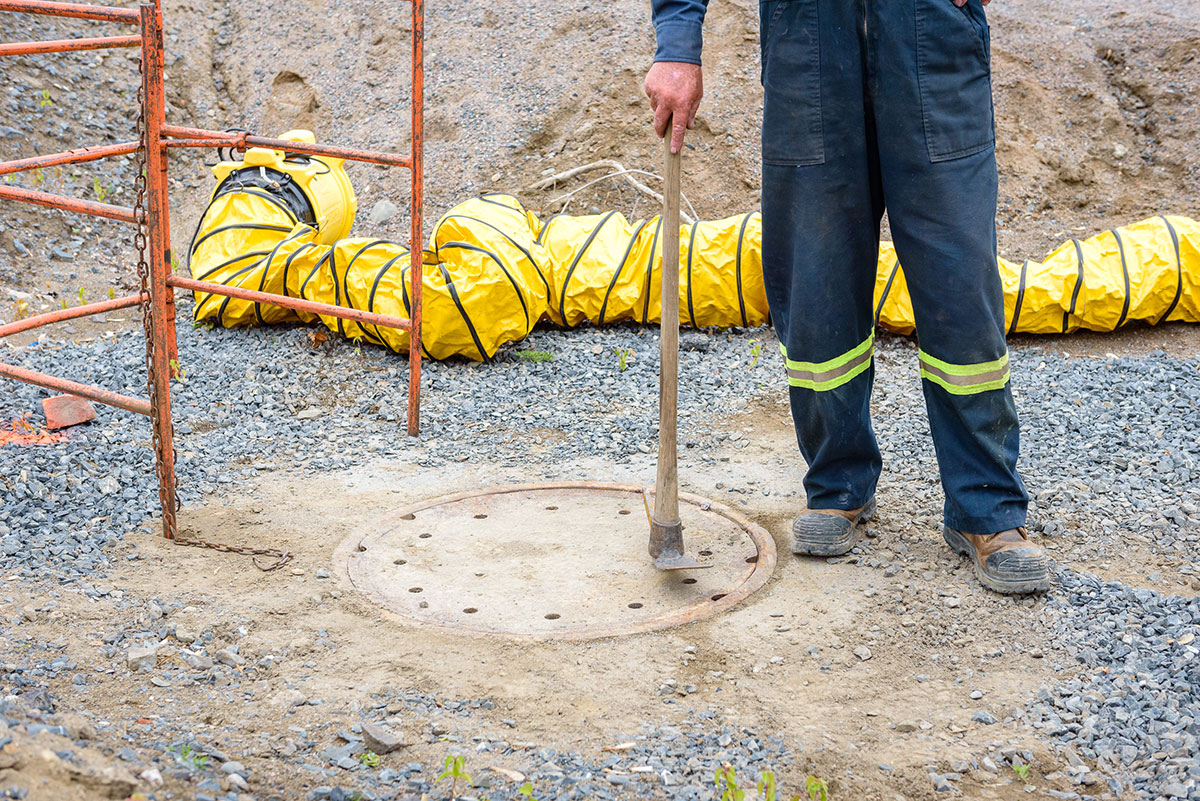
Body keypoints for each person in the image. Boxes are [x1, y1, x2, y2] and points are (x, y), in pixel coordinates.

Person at [644, 0, 1050, 594]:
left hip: (931, 43)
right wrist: (678, 43)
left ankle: (985, 507)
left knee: (961, 289)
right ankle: (838, 485)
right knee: (818, 286)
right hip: (808, 49)